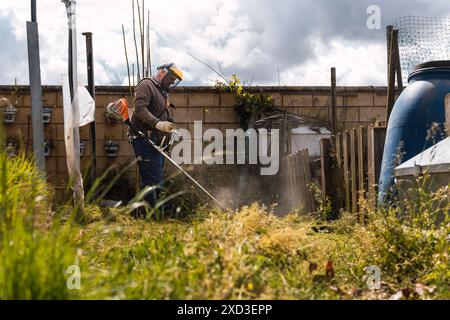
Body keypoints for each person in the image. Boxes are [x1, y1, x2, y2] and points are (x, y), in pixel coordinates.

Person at [128, 63, 184, 216]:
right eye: (171, 78)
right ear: (162, 73)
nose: (172, 82)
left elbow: (165, 115)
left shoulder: (163, 93)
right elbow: (140, 109)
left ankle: (155, 212)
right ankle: (151, 214)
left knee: (157, 176)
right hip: (144, 138)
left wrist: (171, 130)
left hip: (157, 142)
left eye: (175, 80)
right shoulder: (146, 85)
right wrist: (157, 124)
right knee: (151, 178)